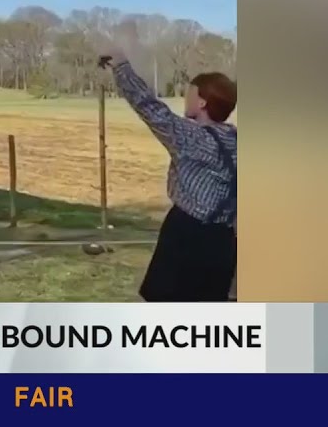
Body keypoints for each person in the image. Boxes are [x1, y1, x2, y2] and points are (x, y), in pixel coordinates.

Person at [99, 48, 238, 302]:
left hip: (186, 235)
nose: (186, 98)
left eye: (190, 94)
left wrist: (121, 66)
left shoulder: (191, 138)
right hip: (224, 242)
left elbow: (148, 106)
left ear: (203, 103)